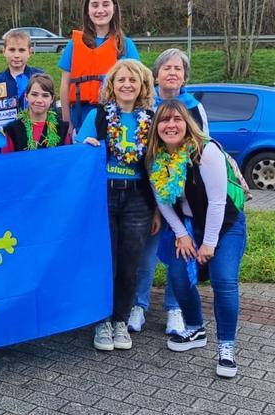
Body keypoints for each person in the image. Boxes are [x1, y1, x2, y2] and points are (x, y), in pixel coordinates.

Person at [145, 99, 248, 378]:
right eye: (164, 121)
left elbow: (217, 203)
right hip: (189, 225)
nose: (170, 125)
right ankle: (195, 328)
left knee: (223, 280)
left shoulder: (206, 150)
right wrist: (181, 234)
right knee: (178, 275)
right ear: (156, 127)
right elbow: (162, 200)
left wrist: (209, 244)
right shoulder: (156, 157)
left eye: (177, 119)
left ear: (187, 124)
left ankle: (226, 348)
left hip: (224, 224)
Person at [77, 59, 159, 352]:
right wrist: (85, 145)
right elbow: (79, 150)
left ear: (142, 86)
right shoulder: (97, 115)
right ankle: (101, 320)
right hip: (104, 195)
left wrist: (159, 209)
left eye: (133, 80)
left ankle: (120, 320)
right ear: (111, 85)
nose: (126, 85)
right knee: (105, 261)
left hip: (138, 198)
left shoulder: (151, 118)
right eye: (121, 79)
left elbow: (160, 166)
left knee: (129, 263)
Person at [129, 48, 210, 335]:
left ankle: (175, 309)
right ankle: (139, 304)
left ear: (185, 76)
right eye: (167, 68)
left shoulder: (194, 107)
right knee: (146, 252)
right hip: (150, 191)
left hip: (183, 195)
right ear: (157, 74)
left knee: (180, 250)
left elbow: (205, 146)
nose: (172, 73)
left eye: (178, 68)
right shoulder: (146, 106)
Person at [59, 0, 140, 131]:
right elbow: (65, 84)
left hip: (117, 120)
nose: (100, 10)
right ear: (87, 10)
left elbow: (139, 84)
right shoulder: (74, 45)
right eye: (94, 5)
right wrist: (67, 123)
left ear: (114, 9)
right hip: (81, 119)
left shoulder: (126, 45)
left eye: (106, 4)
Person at [0, 29, 45, 149]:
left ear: (30, 52)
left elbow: (50, 108)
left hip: (37, 139)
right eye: (12, 50)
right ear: (4, 52)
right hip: (7, 141)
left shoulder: (39, 77)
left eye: (22, 50)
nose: (16, 55)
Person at [2, 74, 71, 152]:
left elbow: (67, 159)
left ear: (52, 99)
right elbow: (6, 161)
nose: (39, 100)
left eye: (45, 96)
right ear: (26, 96)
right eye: (34, 94)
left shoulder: (62, 128)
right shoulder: (12, 130)